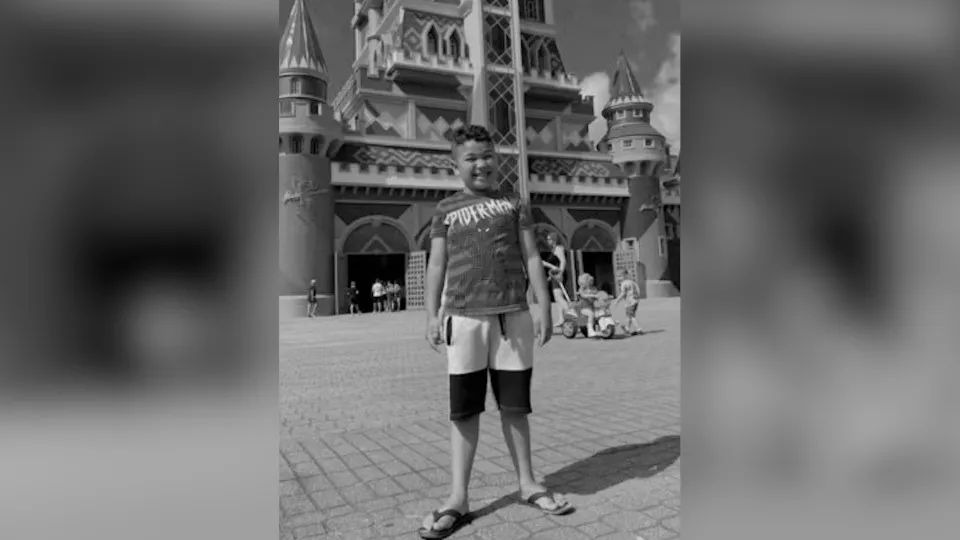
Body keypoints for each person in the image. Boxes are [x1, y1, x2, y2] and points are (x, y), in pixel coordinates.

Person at [420, 125, 572, 539]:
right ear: (455, 164)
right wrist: (431, 315)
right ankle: (458, 497)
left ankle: (528, 484)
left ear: (497, 159)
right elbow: (437, 264)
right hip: (463, 319)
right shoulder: (445, 210)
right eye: (470, 158)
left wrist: (544, 306)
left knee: (515, 407)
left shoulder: (515, 203)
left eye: (487, 156)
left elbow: (531, 256)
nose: (481, 164)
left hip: (512, 318)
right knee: (464, 410)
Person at [541, 232, 569, 313]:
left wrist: (560, 273)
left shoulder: (558, 249)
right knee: (559, 297)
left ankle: (570, 311)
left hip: (558, 274)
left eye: (549, 239)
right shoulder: (555, 249)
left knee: (558, 297)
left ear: (554, 240)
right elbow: (556, 264)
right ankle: (561, 318)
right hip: (555, 274)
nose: (547, 241)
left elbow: (563, 261)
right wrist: (550, 277)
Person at [614, 270, 644, 335]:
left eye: (620, 276)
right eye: (618, 276)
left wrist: (617, 300)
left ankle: (638, 329)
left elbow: (623, 293)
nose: (619, 278)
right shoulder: (632, 282)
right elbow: (638, 290)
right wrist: (637, 298)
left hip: (630, 302)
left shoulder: (624, 283)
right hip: (635, 301)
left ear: (624, 275)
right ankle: (627, 328)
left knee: (631, 316)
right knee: (628, 316)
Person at [576, 273, 603, 338]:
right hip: (583, 308)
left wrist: (604, 295)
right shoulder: (582, 289)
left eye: (592, 281)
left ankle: (602, 328)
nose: (591, 283)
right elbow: (583, 295)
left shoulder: (593, 288)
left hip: (592, 306)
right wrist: (592, 295)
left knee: (600, 314)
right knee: (591, 314)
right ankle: (590, 330)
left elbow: (598, 294)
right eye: (590, 281)